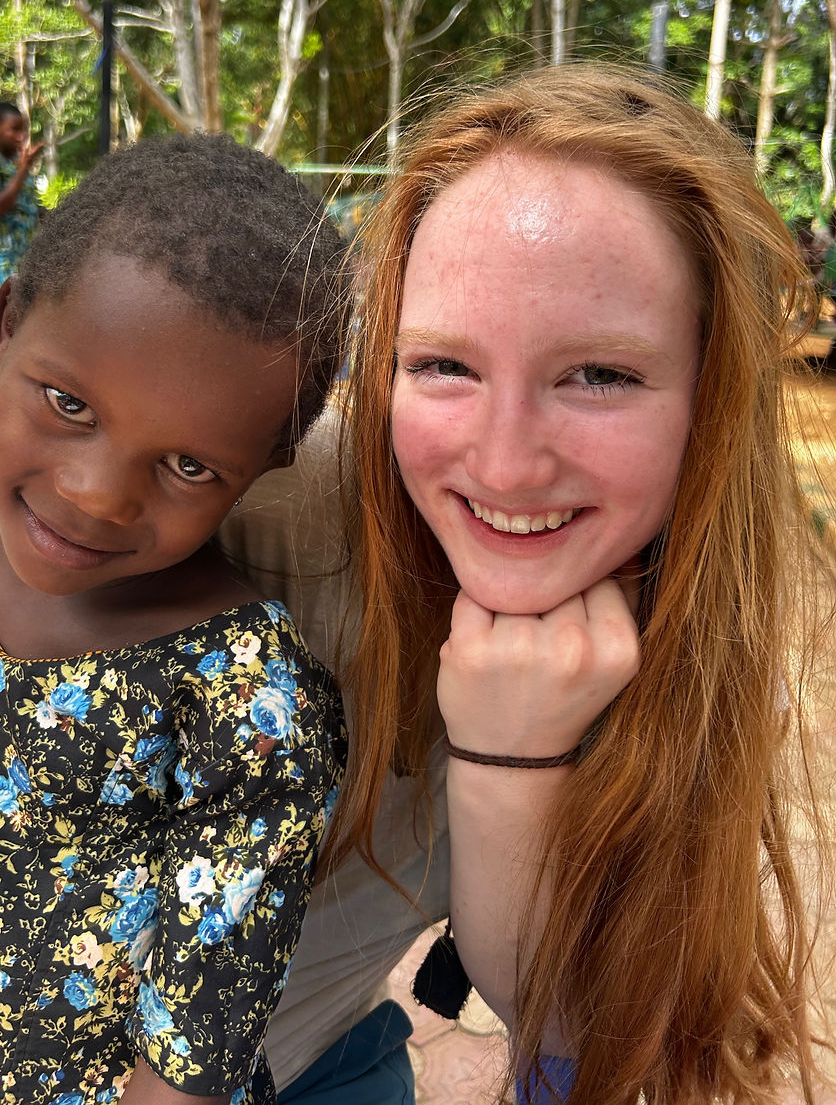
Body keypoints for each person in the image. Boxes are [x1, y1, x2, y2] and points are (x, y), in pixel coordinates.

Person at [224, 63, 834, 1105]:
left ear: (710, 390)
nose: (504, 466)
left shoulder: (671, 613)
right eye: (443, 367)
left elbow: (568, 1044)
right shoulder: (262, 504)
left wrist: (510, 756)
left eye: (598, 374)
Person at [0, 133, 348, 1105]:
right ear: (3, 328)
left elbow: (193, 1053)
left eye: (189, 465)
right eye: (67, 400)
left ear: (269, 458)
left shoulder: (246, 703)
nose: (93, 495)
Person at [0, 101, 42, 342]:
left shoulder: (17, 164)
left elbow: (29, 209)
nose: (20, 136)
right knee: (1, 321)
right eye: (14, 129)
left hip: (24, 256)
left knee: (23, 320)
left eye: (23, 130)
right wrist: (23, 171)